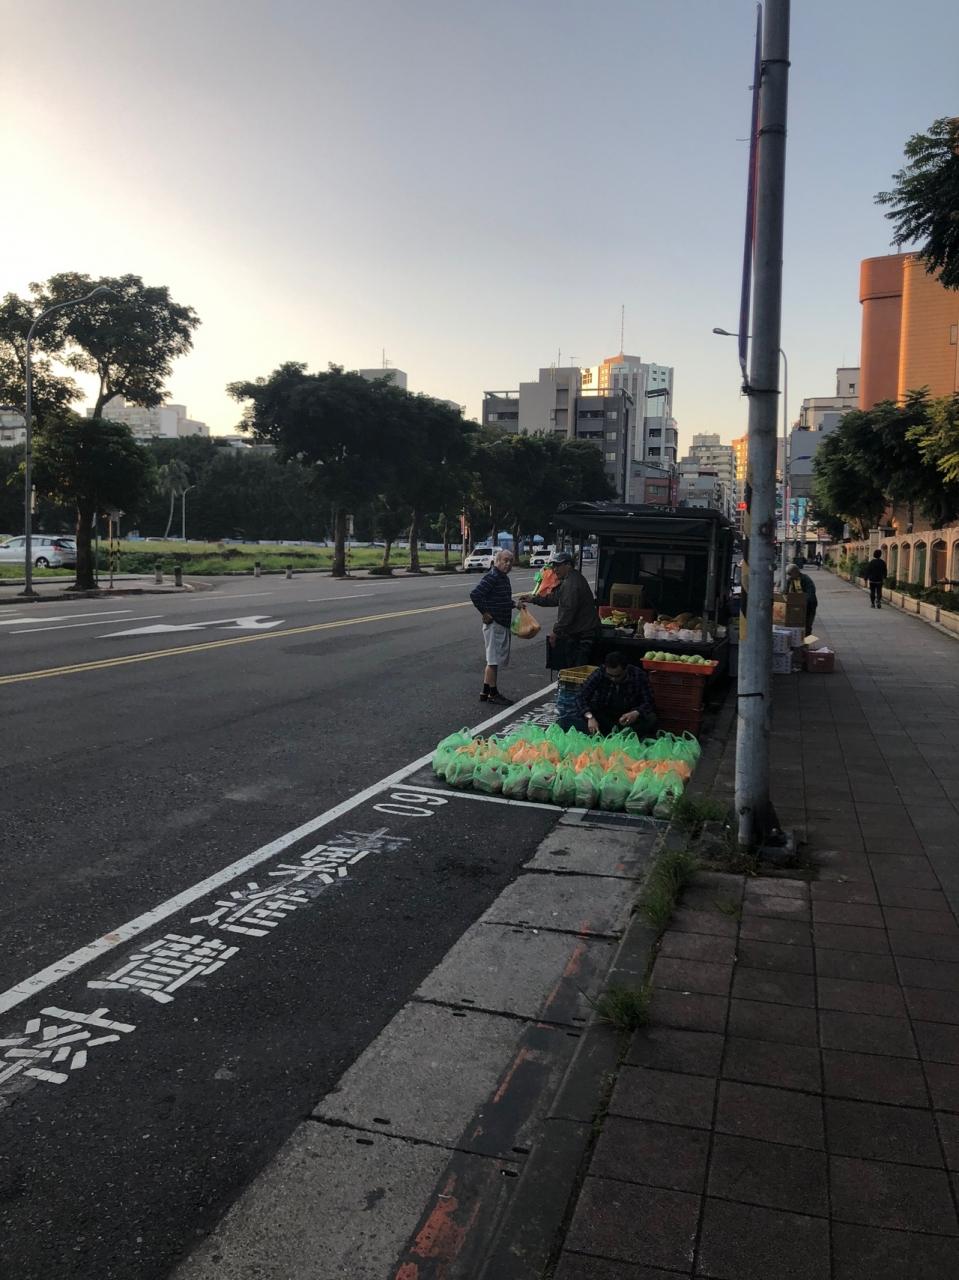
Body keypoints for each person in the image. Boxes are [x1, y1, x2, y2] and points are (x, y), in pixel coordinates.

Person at [519, 551, 600, 668]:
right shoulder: (570, 579)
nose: (555, 569)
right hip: (583, 630)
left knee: (576, 668)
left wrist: (556, 631)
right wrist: (533, 599)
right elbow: (555, 598)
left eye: (558, 566)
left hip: (583, 634)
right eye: (553, 566)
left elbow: (568, 610)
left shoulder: (571, 583)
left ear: (568, 565)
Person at [562, 651, 657, 736]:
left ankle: (625, 734)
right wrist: (590, 717)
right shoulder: (600, 673)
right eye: (610, 676)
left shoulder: (638, 675)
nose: (613, 679)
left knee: (651, 718)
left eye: (618, 676)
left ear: (625, 670)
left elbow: (649, 701)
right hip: (604, 714)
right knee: (569, 720)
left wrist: (636, 713)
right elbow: (580, 696)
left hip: (628, 717)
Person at [469, 548, 516, 705]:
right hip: (495, 624)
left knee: (492, 659)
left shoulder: (503, 577)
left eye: (510, 561)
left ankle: (485, 691)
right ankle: (493, 694)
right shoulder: (493, 576)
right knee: (493, 661)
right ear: (497, 561)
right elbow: (475, 594)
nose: (508, 564)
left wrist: (515, 604)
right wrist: (484, 612)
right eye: (505, 561)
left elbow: (502, 599)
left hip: (501, 623)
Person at [786, 563, 818, 635]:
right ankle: (800, 639)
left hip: (809, 604)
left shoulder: (806, 579)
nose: (789, 576)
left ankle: (807, 639)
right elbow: (786, 591)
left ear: (796, 571)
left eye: (790, 574)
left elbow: (811, 592)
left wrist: (804, 600)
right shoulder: (790, 579)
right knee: (798, 624)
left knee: (808, 624)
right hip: (798, 604)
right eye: (788, 574)